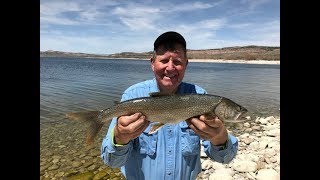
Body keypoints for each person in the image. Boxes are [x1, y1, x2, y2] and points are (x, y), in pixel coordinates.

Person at [101, 31, 238, 180]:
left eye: (177, 62)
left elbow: (225, 159)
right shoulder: (132, 95)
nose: (170, 68)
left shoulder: (200, 97)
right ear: (152, 64)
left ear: (186, 64)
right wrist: (120, 138)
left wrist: (220, 137)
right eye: (164, 60)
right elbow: (112, 161)